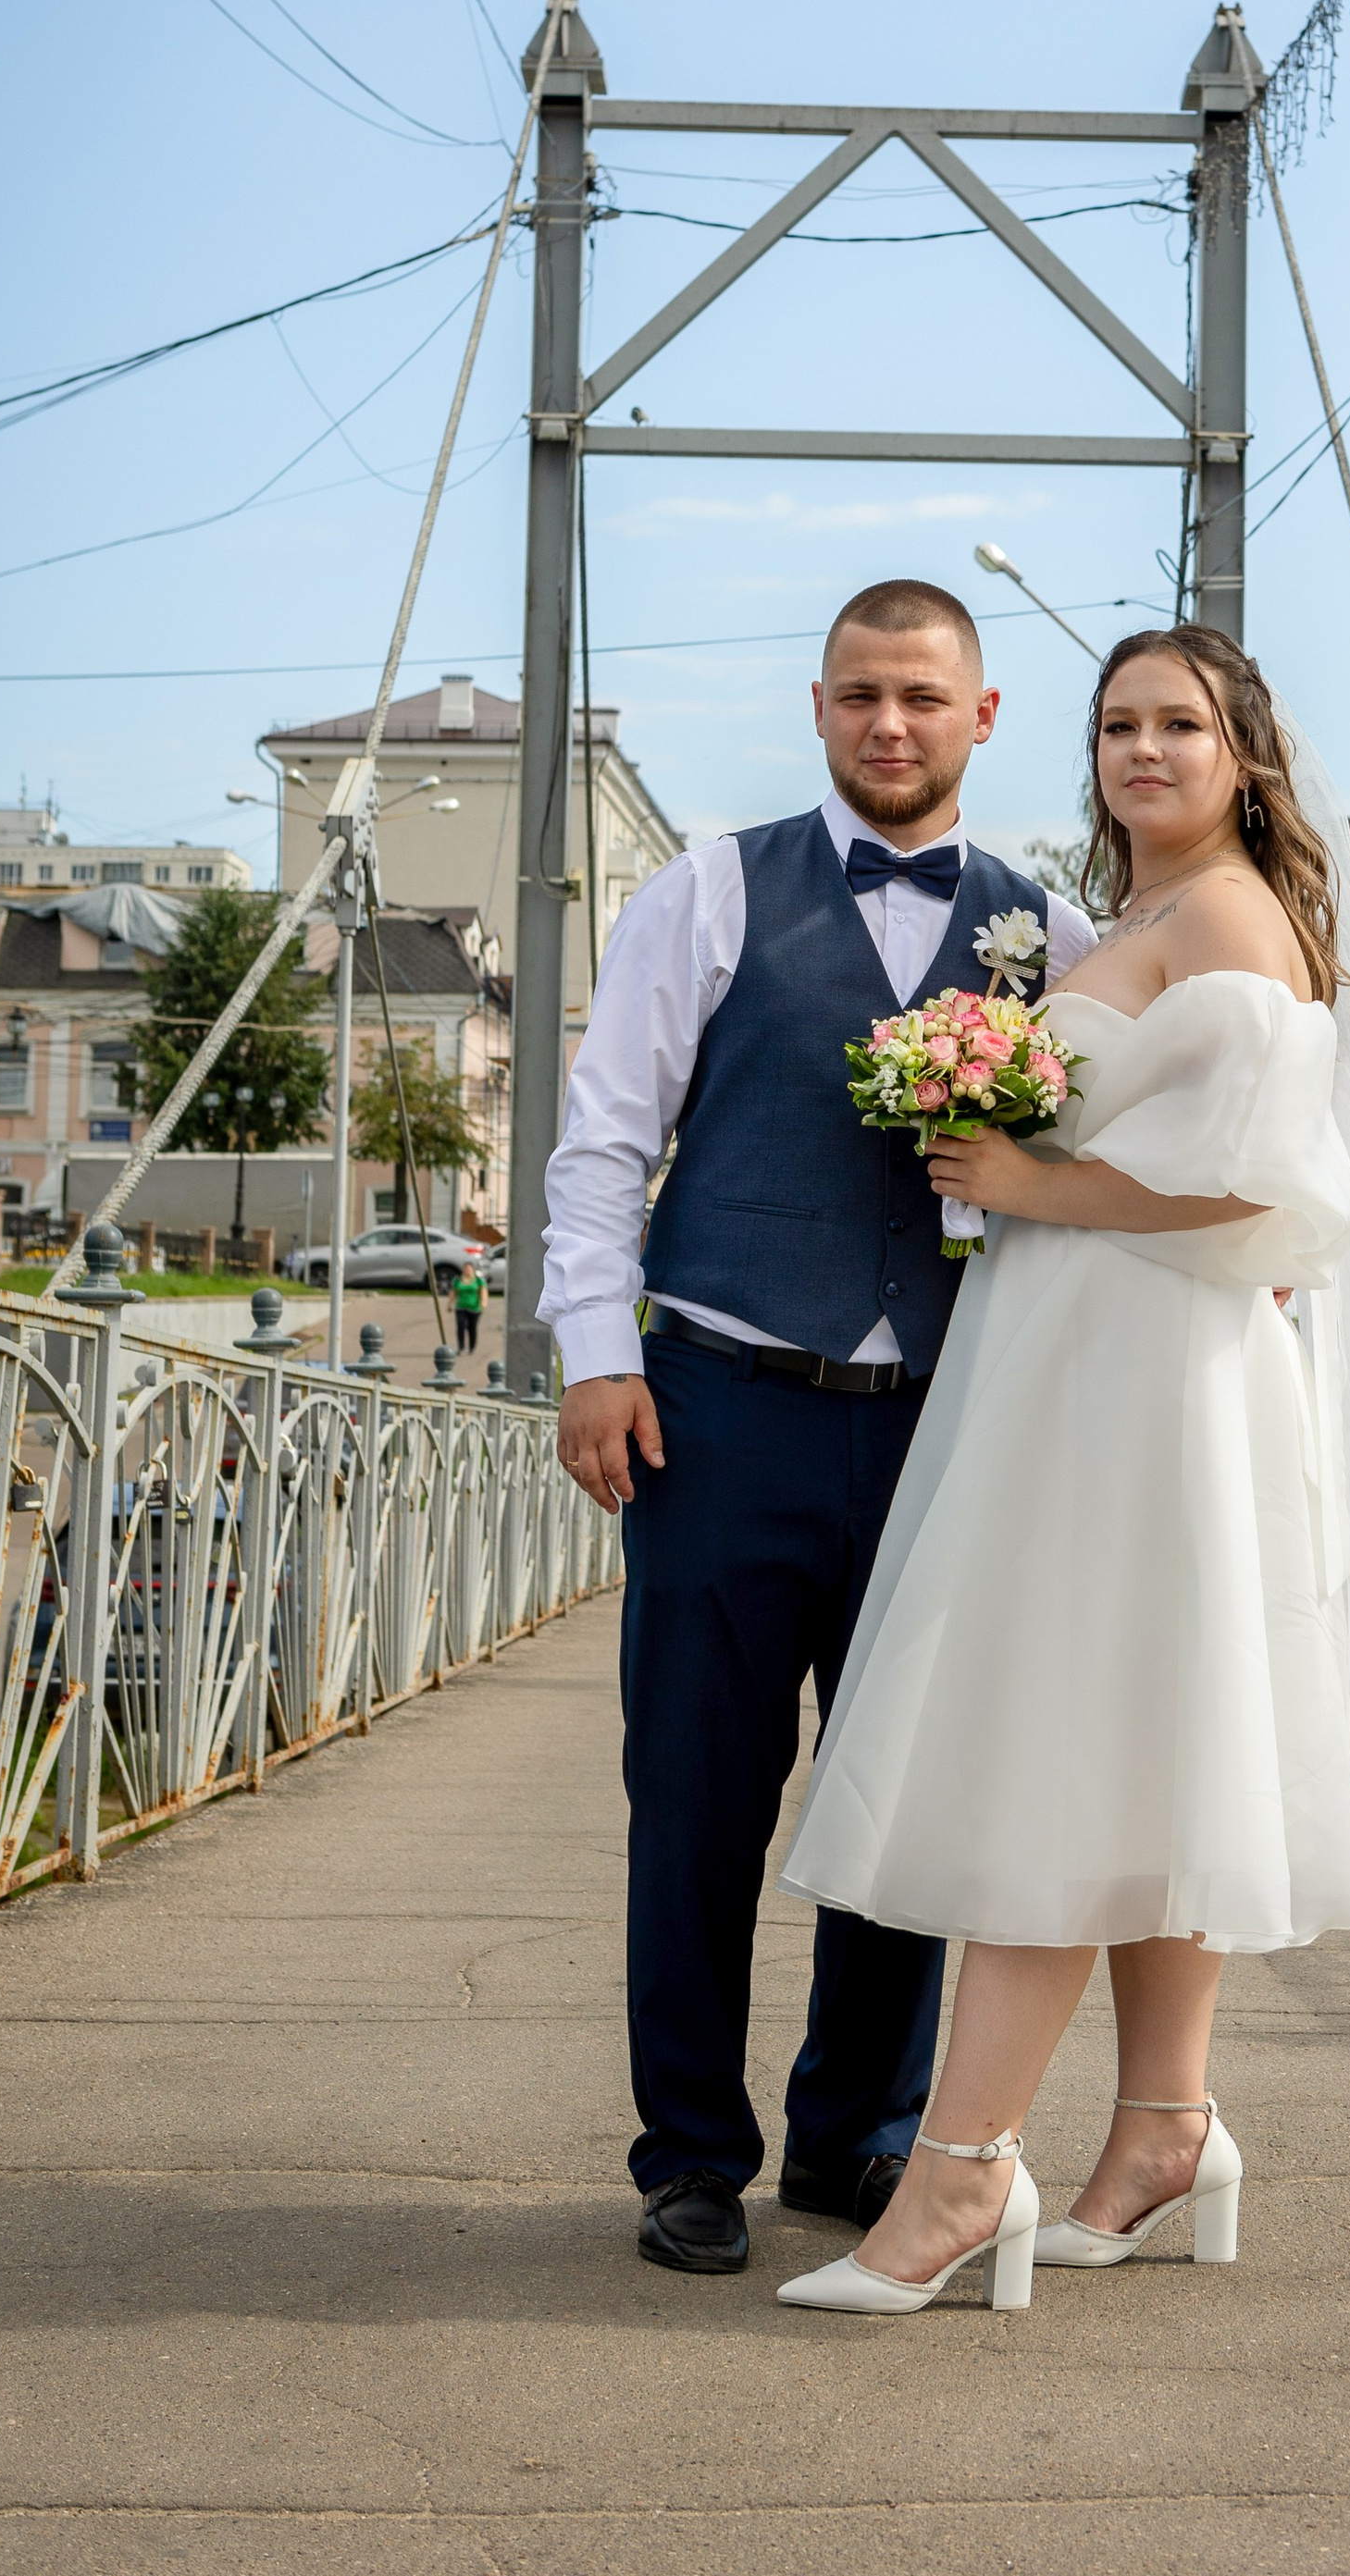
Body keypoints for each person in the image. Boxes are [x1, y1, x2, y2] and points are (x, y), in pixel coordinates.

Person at [773, 622, 1350, 2317]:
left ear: (1246, 755)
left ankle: (961, 2172)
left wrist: (1034, 1190)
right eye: (1118, 724)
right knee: (1145, 1757)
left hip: (1145, 1383)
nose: (1144, 749)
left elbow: (1275, 1201)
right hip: (1095, 1368)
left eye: (1181, 722)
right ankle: (1166, 2128)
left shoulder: (1239, 922)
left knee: (1058, 1749)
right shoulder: (1146, 922)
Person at [541, 580, 1094, 2276]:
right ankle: (691, 2152)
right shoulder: (708, 890)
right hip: (720, 1403)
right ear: (818, 705)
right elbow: (604, 1139)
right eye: (860, 694)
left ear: (981, 718)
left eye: (923, 696)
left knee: (910, 1798)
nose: (890, 724)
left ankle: (859, 2135)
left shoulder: (1050, 931)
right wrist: (591, 1350)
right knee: (698, 1789)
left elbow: (1090, 1179)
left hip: (948, 1418)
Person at [452, 1262, 485, 1363]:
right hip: (461, 1307)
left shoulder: (478, 1280)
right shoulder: (458, 1280)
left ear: (473, 1270)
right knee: (461, 1326)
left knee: (472, 1327)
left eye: (469, 1269)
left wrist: (483, 1303)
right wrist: (449, 1303)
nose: (467, 1270)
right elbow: (454, 1292)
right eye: (466, 1269)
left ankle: (472, 1347)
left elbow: (483, 1292)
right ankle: (461, 1347)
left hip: (474, 1308)